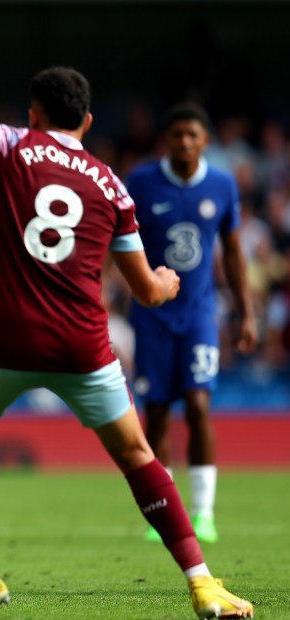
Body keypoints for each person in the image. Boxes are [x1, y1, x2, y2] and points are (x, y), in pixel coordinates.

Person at [0, 67, 253, 620]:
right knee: (139, 455)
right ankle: (202, 584)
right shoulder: (112, 183)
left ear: (33, 112)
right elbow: (146, 290)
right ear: (87, 121)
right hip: (82, 346)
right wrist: (165, 281)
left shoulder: (5, 141)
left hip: (0, 341)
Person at [126, 102, 257, 545]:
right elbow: (120, 241)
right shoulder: (141, 181)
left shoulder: (221, 185)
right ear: (166, 139)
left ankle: (203, 513)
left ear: (205, 141)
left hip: (200, 314)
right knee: (157, 413)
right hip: (151, 315)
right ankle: (163, 513)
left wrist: (246, 313)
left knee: (199, 405)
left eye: (192, 135)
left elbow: (234, 252)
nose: (184, 142)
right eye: (177, 134)